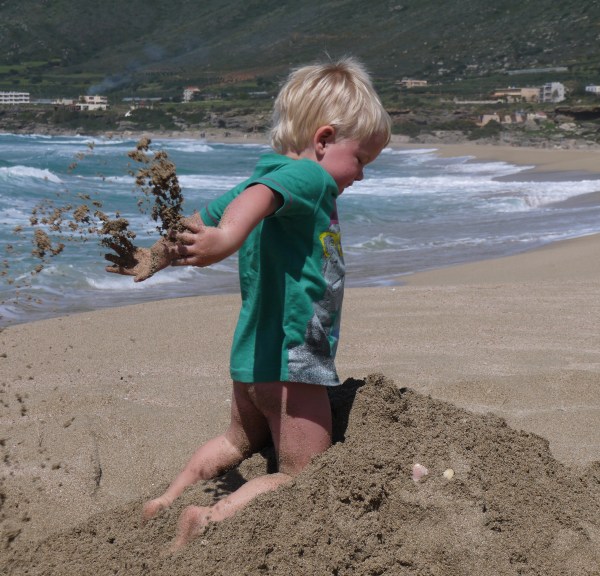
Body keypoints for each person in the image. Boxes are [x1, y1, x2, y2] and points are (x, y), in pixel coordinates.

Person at [106, 56, 391, 551]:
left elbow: (206, 218)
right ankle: (209, 518)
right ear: (323, 141)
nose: (361, 175)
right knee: (305, 473)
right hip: (293, 363)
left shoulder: (262, 177)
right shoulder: (310, 178)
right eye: (361, 158)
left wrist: (155, 256)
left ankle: (168, 499)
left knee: (237, 442)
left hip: (250, 361)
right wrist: (227, 241)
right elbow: (242, 214)